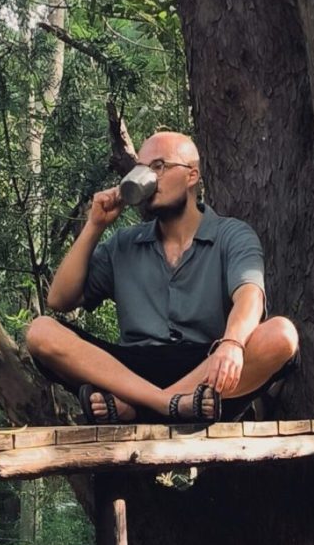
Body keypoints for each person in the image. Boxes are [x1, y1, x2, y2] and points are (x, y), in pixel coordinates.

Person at [24, 131, 300, 423]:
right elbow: (59, 299)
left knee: (282, 335)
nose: (148, 178)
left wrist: (231, 344)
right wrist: (95, 225)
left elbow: (250, 296)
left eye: (158, 166)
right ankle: (169, 404)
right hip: (132, 371)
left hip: (206, 374)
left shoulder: (232, 235)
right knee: (40, 332)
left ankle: (140, 408)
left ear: (191, 175)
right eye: (141, 169)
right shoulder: (124, 244)